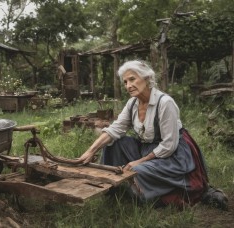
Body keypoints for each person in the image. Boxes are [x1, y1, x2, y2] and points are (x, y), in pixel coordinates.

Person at [78, 60, 227, 209]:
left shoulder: (165, 103)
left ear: (147, 78)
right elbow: (115, 128)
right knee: (114, 143)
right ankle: (112, 186)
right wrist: (90, 151)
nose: (128, 86)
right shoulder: (132, 104)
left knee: (135, 171)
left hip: (173, 154)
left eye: (132, 79)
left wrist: (140, 161)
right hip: (147, 148)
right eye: (125, 82)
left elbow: (169, 145)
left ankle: (151, 195)